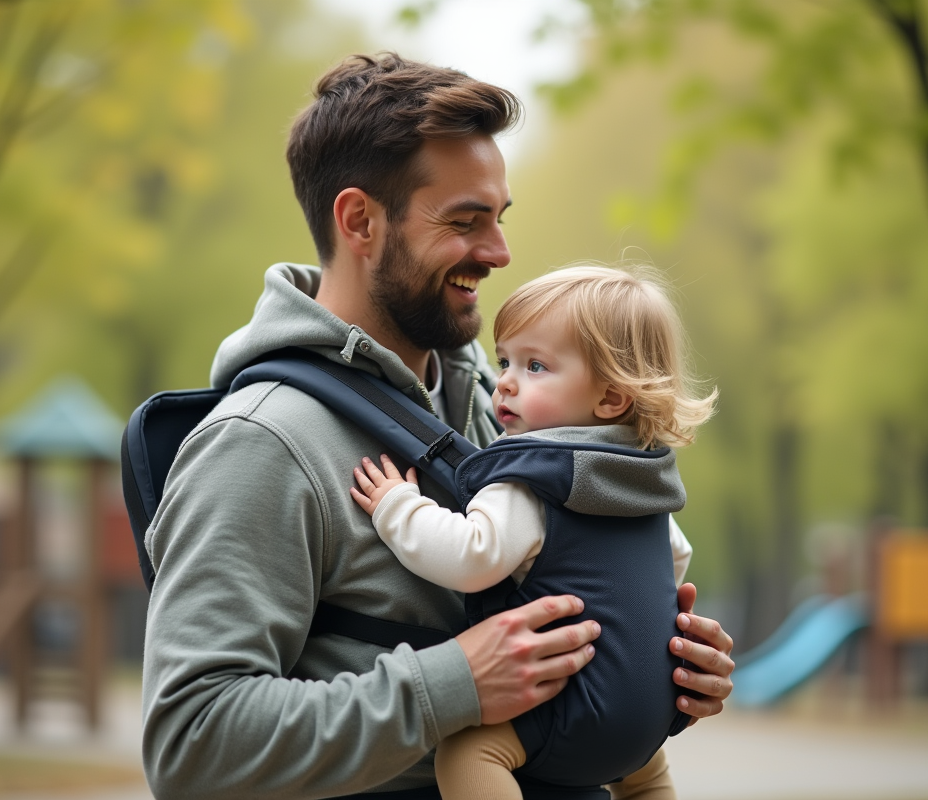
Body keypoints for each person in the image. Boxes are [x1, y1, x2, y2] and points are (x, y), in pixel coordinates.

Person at [141, 53, 734, 800]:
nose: (499, 252)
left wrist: (656, 672)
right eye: (465, 221)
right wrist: (451, 684)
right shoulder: (264, 443)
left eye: (499, 218)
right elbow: (190, 743)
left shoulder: (505, 402)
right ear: (360, 220)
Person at [349, 266, 715, 800]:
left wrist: (397, 506)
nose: (506, 381)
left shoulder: (532, 479)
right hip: (647, 716)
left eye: (536, 366)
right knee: (645, 777)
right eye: (505, 361)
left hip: (572, 705)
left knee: (468, 752)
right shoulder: (642, 484)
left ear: (611, 398)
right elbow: (675, 561)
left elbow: (471, 555)